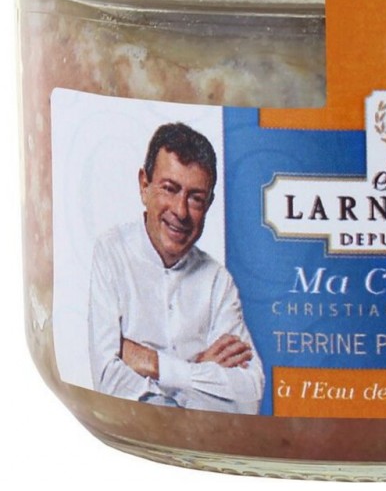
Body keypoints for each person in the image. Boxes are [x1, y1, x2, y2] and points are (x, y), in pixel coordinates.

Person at [88, 122, 265, 414]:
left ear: (209, 204)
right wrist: (199, 372)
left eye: (196, 198)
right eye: (169, 189)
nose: (181, 211)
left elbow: (249, 397)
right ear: (144, 186)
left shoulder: (217, 281)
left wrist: (154, 364)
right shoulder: (110, 252)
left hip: (207, 437)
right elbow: (107, 381)